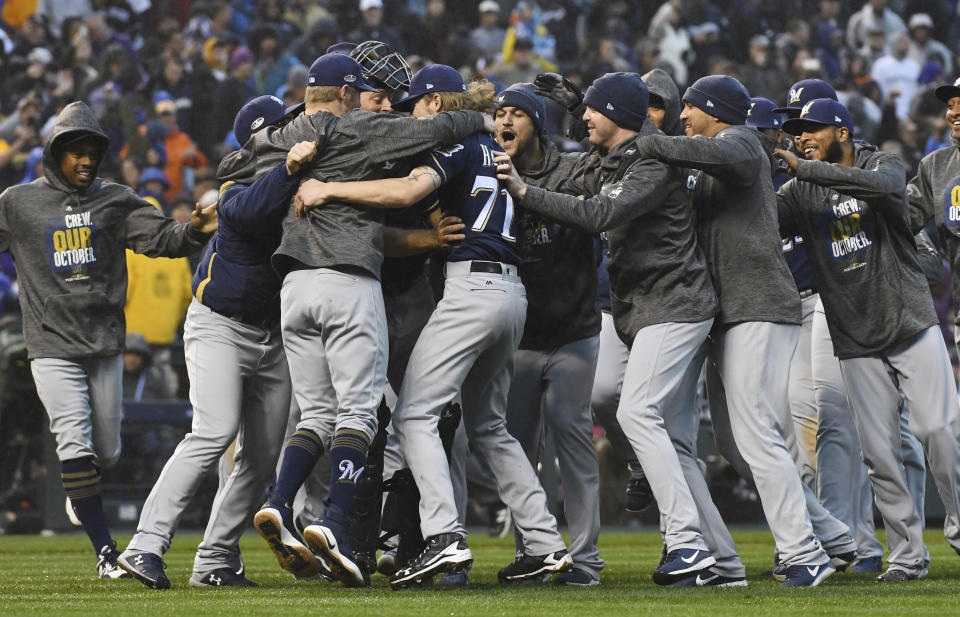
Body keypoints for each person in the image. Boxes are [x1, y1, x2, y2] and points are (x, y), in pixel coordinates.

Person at [217, 53, 493, 588]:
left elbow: (231, 168)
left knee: (315, 414)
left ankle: (278, 502)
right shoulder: (359, 127)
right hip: (348, 280)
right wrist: (481, 116)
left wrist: (291, 164)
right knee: (360, 414)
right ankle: (336, 525)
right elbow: (437, 125)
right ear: (347, 93)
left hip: (293, 288)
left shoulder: (287, 132)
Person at [293, 64, 573, 589]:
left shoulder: (463, 137)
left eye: (418, 104)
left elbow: (403, 193)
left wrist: (329, 189)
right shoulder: (495, 146)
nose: (411, 115)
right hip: (512, 293)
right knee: (491, 427)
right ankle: (544, 543)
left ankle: (444, 536)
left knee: (415, 415)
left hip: (471, 288)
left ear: (437, 104)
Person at [498, 71, 743, 586]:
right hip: (647, 308)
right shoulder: (610, 160)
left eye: (593, 109)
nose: (585, 116)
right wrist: (565, 107)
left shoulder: (652, 160)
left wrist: (522, 190)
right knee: (673, 441)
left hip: (676, 301)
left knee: (634, 411)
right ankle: (723, 561)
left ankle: (686, 545)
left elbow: (600, 212)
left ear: (617, 114)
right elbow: (573, 179)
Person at [0, 101, 215, 579]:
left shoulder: (116, 200)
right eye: (74, 152)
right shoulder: (18, 202)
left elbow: (165, 239)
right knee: (72, 436)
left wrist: (197, 230)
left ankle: (83, 491)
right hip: (50, 343)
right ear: (54, 154)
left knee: (108, 449)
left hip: (103, 343)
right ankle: (104, 552)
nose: (85, 160)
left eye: (91, 152)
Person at [635, 75, 835, 587]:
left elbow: (721, 154)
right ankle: (827, 538)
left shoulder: (743, 140)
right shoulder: (709, 155)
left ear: (714, 111)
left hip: (759, 307)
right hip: (727, 313)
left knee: (757, 437)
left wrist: (637, 128)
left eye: (691, 109)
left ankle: (804, 551)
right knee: (735, 443)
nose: (683, 116)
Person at [117, 96, 310, 589]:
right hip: (219, 325)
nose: (296, 127)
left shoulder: (295, 179)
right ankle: (145, 544)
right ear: (261, 135)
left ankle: (215, 560)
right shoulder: (237, 186)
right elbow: (259, 204)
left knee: (264, 456)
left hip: (273, 332)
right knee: (213, 431)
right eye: (286, 123)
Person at [775, 97, 960, 582]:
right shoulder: (798, 191)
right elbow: (765, 216)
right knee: (879, 455)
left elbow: (886, 189)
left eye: (812, 129)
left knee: (940, 432)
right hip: (854, 337)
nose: (802, 138)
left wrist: (807, 172)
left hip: (909, 322)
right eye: (797, 131)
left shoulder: (883, 163)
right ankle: (908, 557)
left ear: (842, 131)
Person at [494, 83, 604, 586]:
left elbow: (602, 181)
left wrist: (523, 189)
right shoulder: (487, 174)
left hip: (573, 330)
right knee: (517, 449)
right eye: (499, 113)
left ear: (537, 121)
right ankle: (534, 552)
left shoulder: (573, 168)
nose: (505, 121)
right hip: (517, 339)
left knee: (573, 440)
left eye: (516, 113)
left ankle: (584, 560)